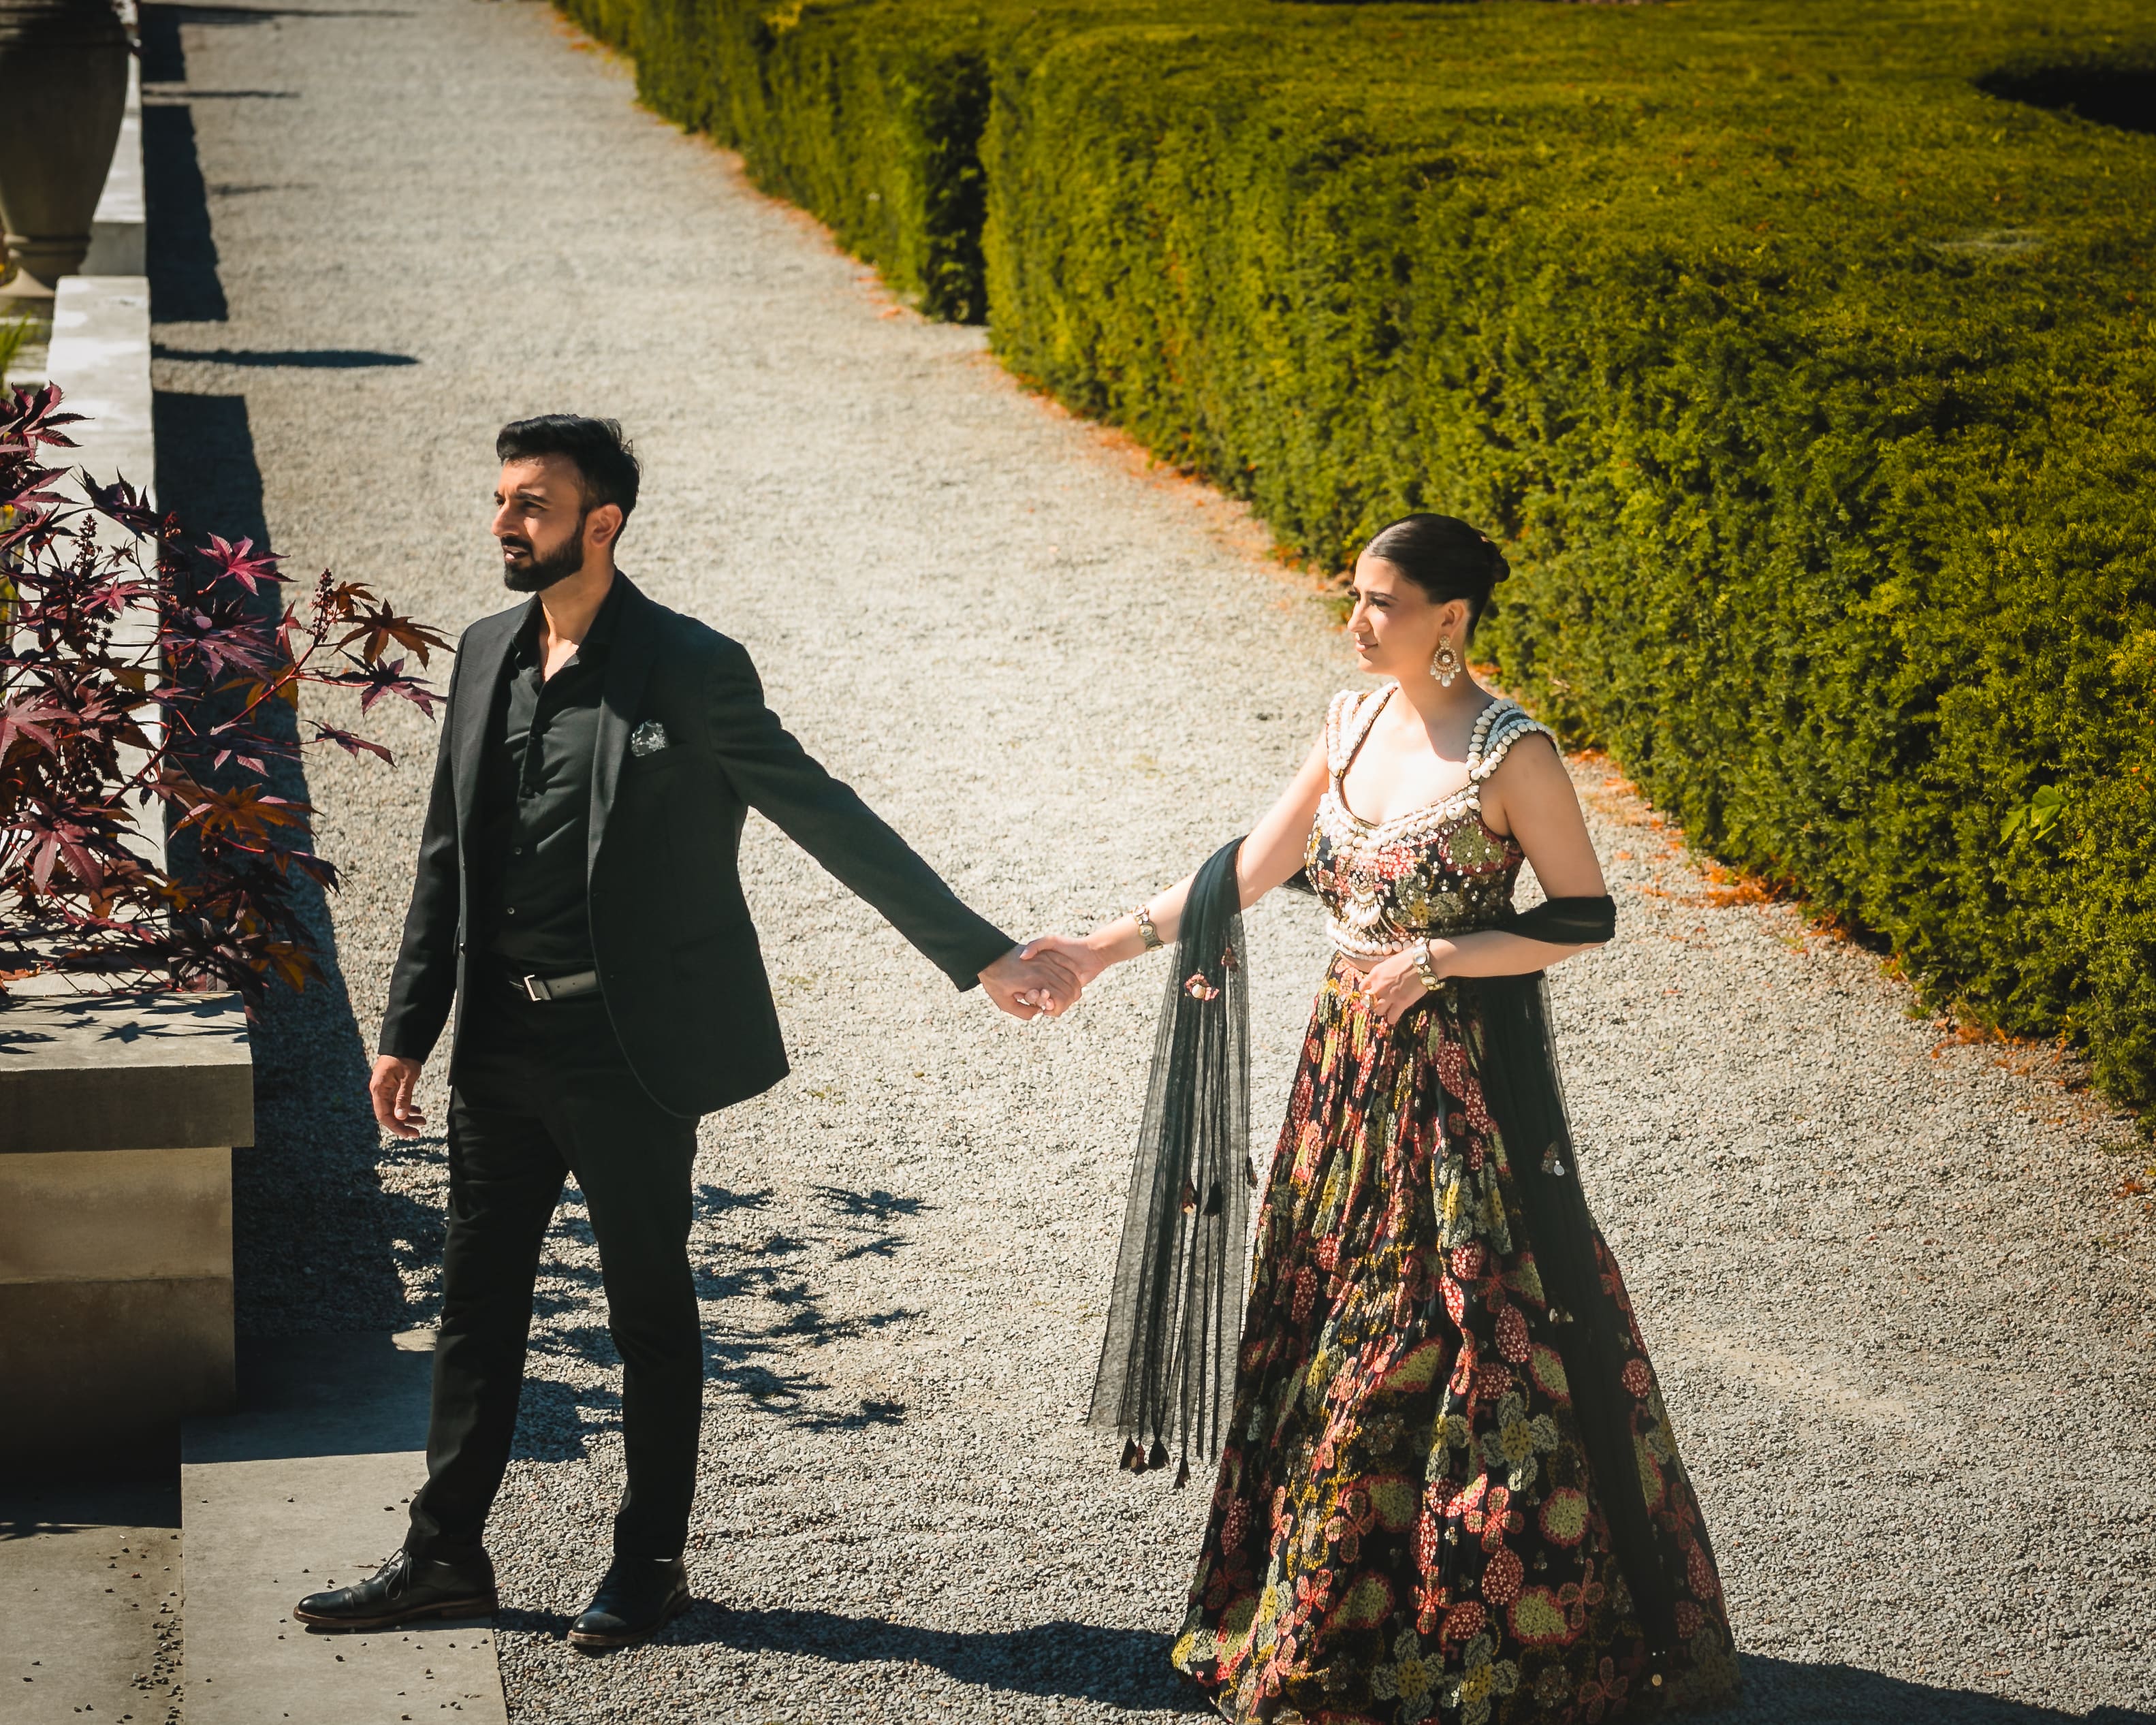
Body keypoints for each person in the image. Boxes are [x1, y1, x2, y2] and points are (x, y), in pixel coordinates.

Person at [293, 415, 1077, 1650]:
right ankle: (444, 1556)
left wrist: (978, 952)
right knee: (475, 1307)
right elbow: (449, 853)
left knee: (645, 1307)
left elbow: (825, 811)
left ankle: (646, 1563)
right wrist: (405, 1030)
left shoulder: (691, 668)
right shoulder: (490, 649)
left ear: (600, 524)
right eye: (500, 500)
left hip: (626, 1049)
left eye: (533, 505)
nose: (506, 523)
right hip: (498, 1039)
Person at [1028, 516, 1739, 1722]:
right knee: (1322, 1330)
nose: (1355, 622)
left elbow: (1583, 916)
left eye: (1379, 602)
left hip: (1457, 1097)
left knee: (1443, 1337)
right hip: (1342, 1081)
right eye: (1351, 596)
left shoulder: (1512, 753)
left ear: (1448, 618)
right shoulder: (1350, 722)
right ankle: (1329, 1625)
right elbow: (1246, 868)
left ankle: (1483, 1642)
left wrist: (1449, 952)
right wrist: (1096, 950)